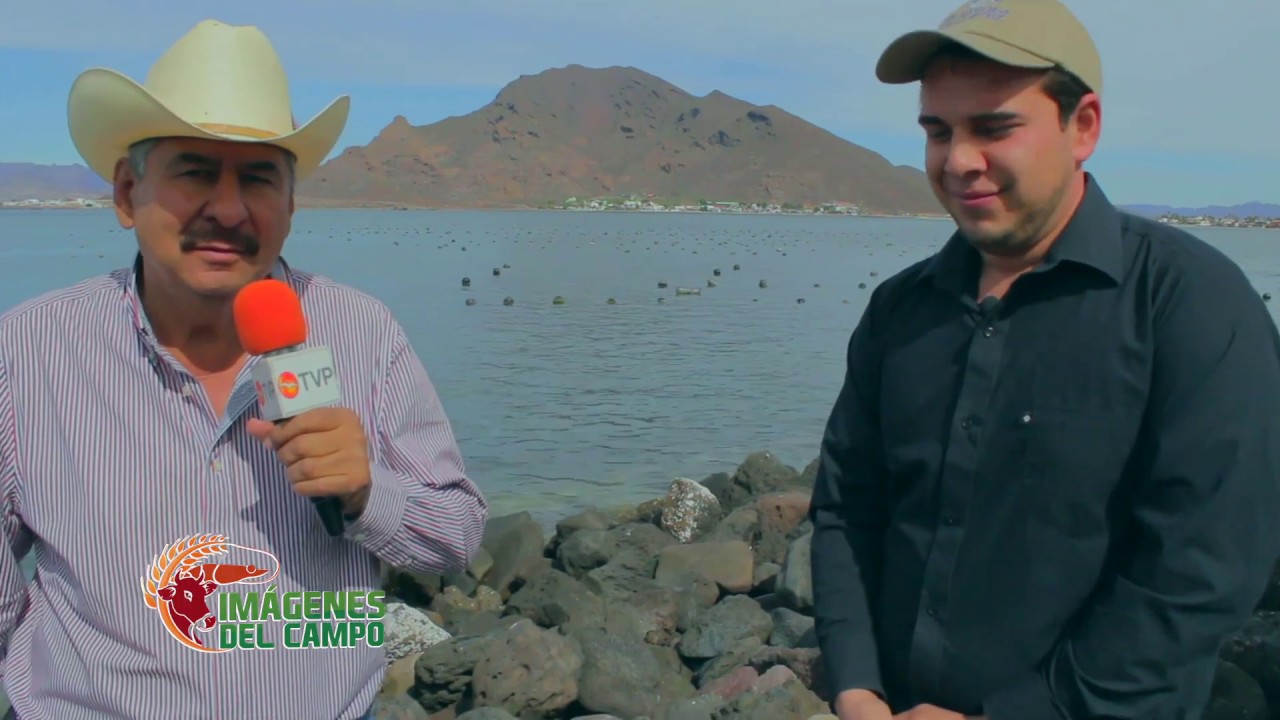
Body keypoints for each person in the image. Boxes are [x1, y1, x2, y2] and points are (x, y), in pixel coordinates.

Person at [0, 20, 488, 720]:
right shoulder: (30, 350)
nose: (228, 209)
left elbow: (456, 535)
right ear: (125, 192)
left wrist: (363, 495)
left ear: (289, 204)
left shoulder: (362, 332)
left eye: (258, 178)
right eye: (196, 171)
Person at [808, 1, 1280, 718]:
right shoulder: (899, 313)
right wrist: (855, 684)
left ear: (1082, 125)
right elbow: (847, 509)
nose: (959, 160)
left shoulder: (1192, 303)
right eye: (938, 131)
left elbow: (1201, 567)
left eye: (994, 128)